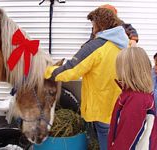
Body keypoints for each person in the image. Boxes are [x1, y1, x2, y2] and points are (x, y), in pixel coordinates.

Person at [45, 7, 129, 150]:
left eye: (93, 24)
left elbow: (71, 71)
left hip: (101, 108)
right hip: (118, 105)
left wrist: (46, 71)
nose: (93, 28)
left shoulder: (96, 46)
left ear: (99, 24)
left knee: (105, 141)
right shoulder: (123, 44)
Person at [108, 47, 157, 149]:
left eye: (118, 66)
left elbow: (127, 141)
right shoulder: (135, 95)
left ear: (126, 71)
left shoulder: (136, 100)